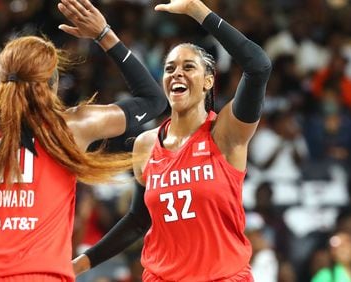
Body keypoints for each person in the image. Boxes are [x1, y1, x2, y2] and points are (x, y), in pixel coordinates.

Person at [0, 10, 168, 282]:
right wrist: (103, 35)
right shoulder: (74, 127)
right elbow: (154, 100)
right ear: (52, 83)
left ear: (1, 81)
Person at [69, 0, 272, 281]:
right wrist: (80, 263)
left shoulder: (225, 132)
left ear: (208, 81)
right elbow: (139, 221)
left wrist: (197, 11)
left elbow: (259, 67)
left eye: (189, 67)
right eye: (169, 68)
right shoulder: (145, 144)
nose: (177, 73)